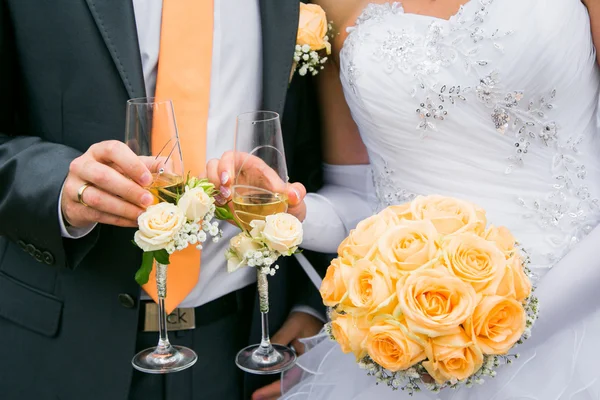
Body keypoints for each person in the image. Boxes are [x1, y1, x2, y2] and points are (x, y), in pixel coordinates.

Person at [210, 0, 600, 398]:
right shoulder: (333, 6)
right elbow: (363, 199)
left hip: (579, 322)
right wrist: (291, 212)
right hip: (416, 339)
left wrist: (493, 331)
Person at [0, 1, 331, 399]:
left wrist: (313, 304)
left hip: (245, 346)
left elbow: (314, 151)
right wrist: (56, 188)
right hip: (64, 342)